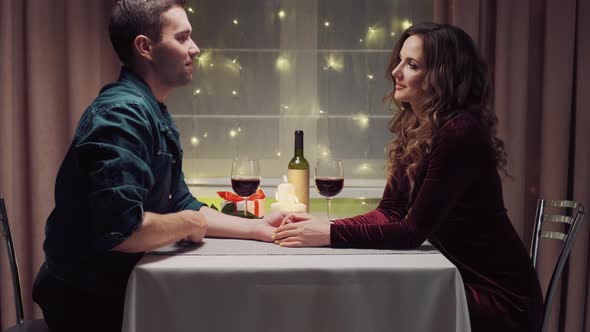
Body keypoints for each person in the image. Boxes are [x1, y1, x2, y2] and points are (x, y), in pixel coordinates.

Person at [273, 22, 544, 332]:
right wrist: (326, 227)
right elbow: (389, 212)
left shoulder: (459, 133)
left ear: (441, 77)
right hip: (459, 281)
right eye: (400, 60)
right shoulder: (417, 128)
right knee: (374, 302)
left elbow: (411, 232)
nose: (396, 71)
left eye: (412, 65)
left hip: (499, 300)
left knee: (378, 307)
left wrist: (329, 235)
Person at [32, 1, 283, 331]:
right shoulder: (122, 115)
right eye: (182, 38)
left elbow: (181, 204)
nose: (195, 48)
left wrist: (259, 228)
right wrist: (187, 222)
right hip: (89, 304)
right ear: (144, 47)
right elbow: (122, 231)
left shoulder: (153, 111)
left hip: (117, 292)